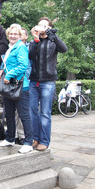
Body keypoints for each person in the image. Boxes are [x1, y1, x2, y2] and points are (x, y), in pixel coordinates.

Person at [29, 17, 68, 151]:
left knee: (45, 113)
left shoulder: (53, 41)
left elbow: (64, 49)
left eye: (44, 26)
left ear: (49, 27)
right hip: (34, 80)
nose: (41, 27)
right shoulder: (34, 41)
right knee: (32, 110)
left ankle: (44, 141)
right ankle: (35, 138)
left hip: (48, 80)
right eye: (39, 25)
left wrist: (53, 35)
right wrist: (35, 39)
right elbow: (31, 56)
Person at [0, 25, 33, 154]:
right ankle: (10, 138)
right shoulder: (10, 47)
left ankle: (28, 142)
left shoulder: (21, 47)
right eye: (11, 34)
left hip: (20, 86)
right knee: (9, 114)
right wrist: (2, 70)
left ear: (20, 36)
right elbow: (7, 63)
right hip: (10, 86)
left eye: (15, 34)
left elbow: (23, 65)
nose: (13, 36)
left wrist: (9, 75)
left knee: (24, 115)